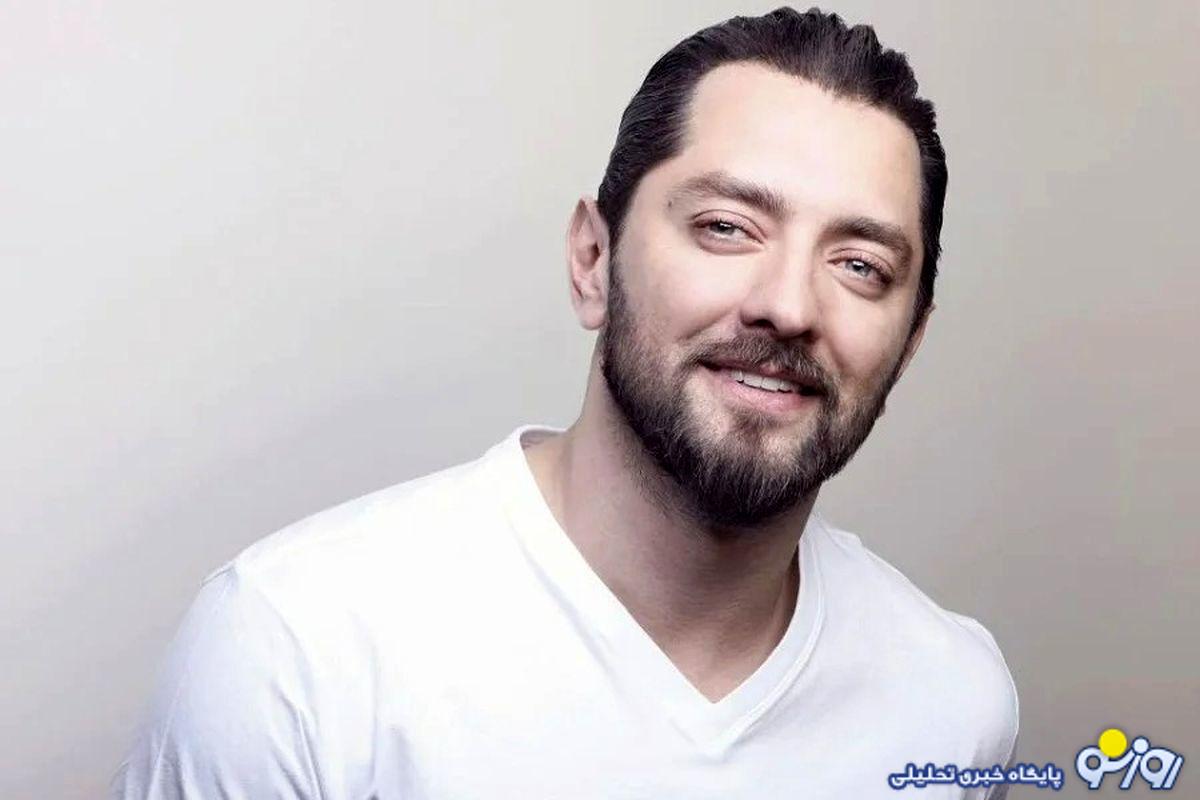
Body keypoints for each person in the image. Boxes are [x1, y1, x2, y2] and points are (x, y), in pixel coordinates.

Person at [113, 7, 1018, 798]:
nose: (788, 306)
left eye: (860, 265)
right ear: (593, 260)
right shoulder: (297, 653)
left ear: (909, 342)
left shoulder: (952, 702)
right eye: (725, 227)